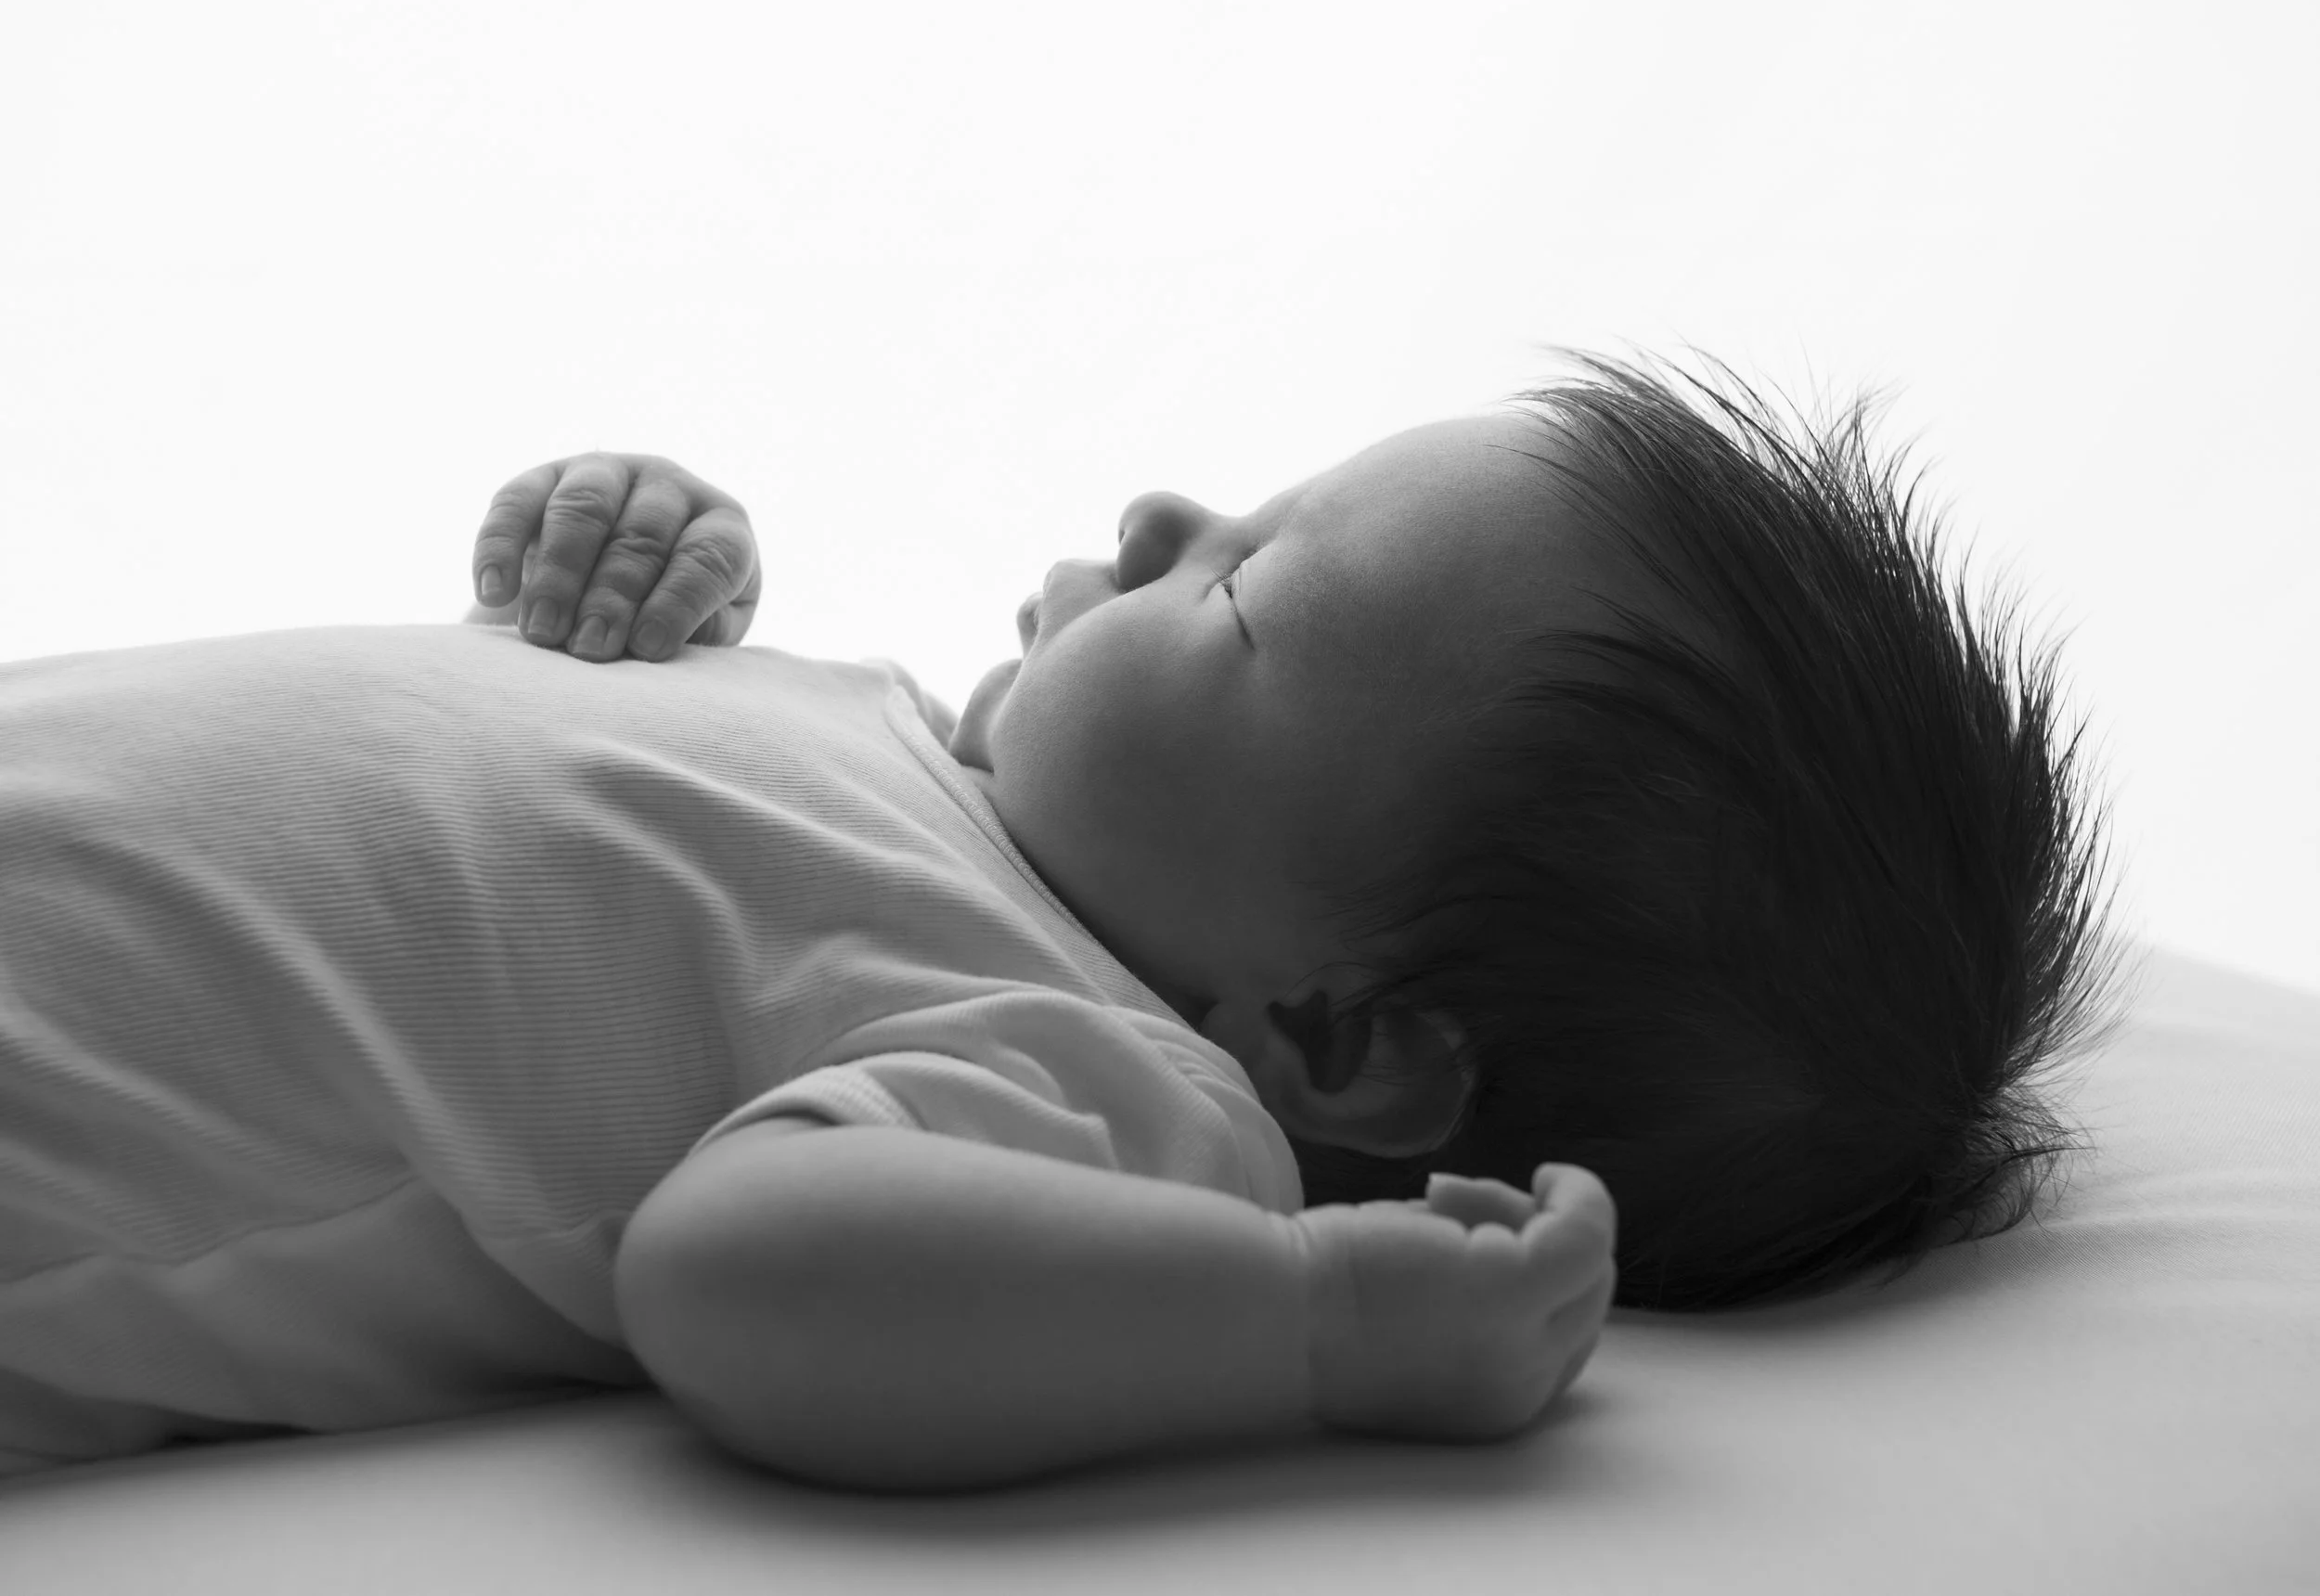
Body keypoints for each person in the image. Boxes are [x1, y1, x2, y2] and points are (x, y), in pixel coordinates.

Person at [0, 347, 2121, 1490]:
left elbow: (749, 1280)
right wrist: (623, 553)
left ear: (1336, 1037)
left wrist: (1304, 1324)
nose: (1159, 515)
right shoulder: (925, 773)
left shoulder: (1097, 1071)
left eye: (1243, 595)